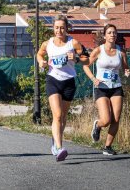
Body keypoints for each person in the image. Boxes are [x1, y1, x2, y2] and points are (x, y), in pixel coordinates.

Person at [37, 15, 89, 161]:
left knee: (63, 117)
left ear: (66, 29)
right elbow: (39, 54)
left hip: (68, 82)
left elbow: (87, 59)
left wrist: (76, 59)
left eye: (62, 27)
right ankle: (59, 148)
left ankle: (55, 139)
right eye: (56, 27)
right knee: (58, 115)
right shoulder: (47, 44)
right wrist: (41, 62)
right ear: (53, 28)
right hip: (53, 80)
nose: (59, 30)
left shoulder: (74, 43)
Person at [83, 24, 130, 156]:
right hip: (102, 88)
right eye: (109, 32)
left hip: (116, 87)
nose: (112, 35)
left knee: (116, 119)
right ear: (105, 36)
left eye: (114, 33)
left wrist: (127, 71)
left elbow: (125, 66)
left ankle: (107, 146)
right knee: (106, 119)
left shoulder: (121, 51)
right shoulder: (99, 50)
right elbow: (86, 66)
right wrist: (93, 78)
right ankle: (98, 125)